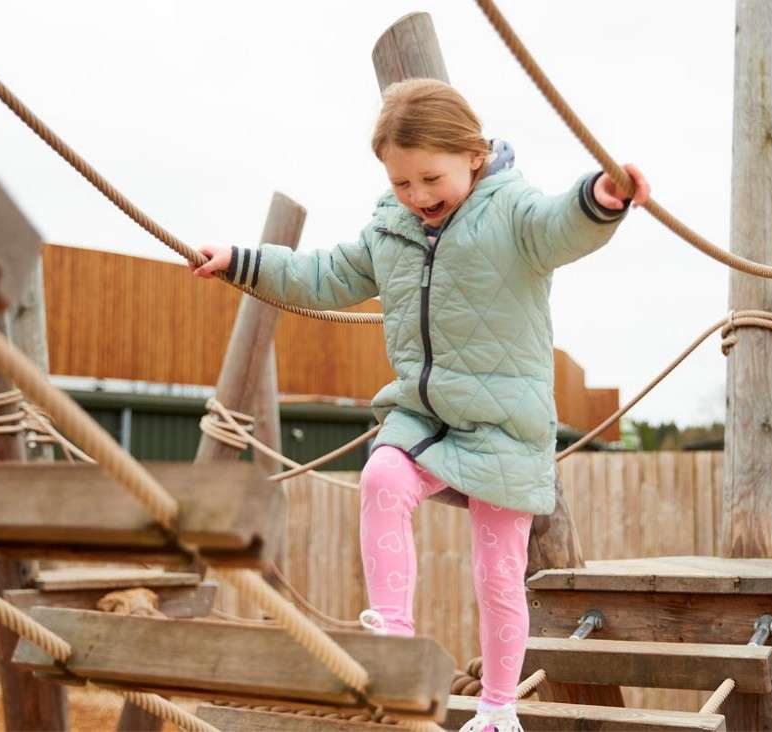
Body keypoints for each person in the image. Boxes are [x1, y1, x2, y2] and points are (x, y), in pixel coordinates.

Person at [192, 78, 648, 732]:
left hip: (504, 423)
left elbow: (561, 226)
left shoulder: (512, 212)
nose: (418, 197)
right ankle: (396, 643)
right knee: (380, 474)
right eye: (401, 183)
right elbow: (321, 275)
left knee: (497, 572)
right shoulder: (391, 228)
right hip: (424, 412)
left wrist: (600, 199)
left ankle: (497, 708)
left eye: (429, 179)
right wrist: (240, 260)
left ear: (473, 154)